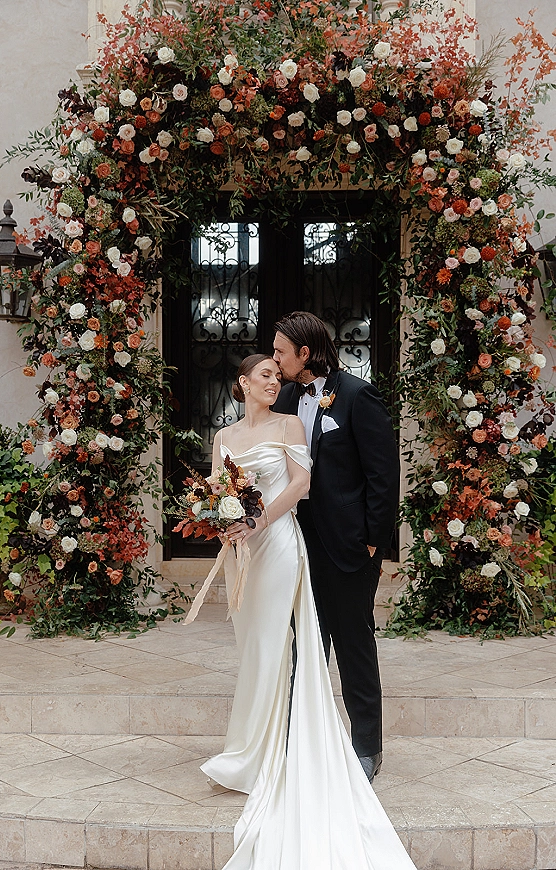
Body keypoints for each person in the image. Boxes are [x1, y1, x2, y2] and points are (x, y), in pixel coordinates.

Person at [198, 353, 415, 869]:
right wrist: (217, 518)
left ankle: (276, 750)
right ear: (242, 384)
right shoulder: (224, 438)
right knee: (252, 644)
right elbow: (214, 488)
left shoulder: (291, 421)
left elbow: (301, 484)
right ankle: (248, 746)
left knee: (279, 642)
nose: (276, 380)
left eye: (279, 372)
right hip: (242, 552)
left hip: (277, 548)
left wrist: (256, 521)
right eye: (266, 375)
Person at [272, 311, 400, 784]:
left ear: (305, 354)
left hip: (349, 549)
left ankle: (367, 747)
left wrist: (373, 541)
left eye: (282, 352)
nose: (275, 359)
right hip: (296, 546)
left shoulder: (356, 396)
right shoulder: (284, 397)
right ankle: (297, 741)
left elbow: (383, 477)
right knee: (304, 646)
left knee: (353, 646)